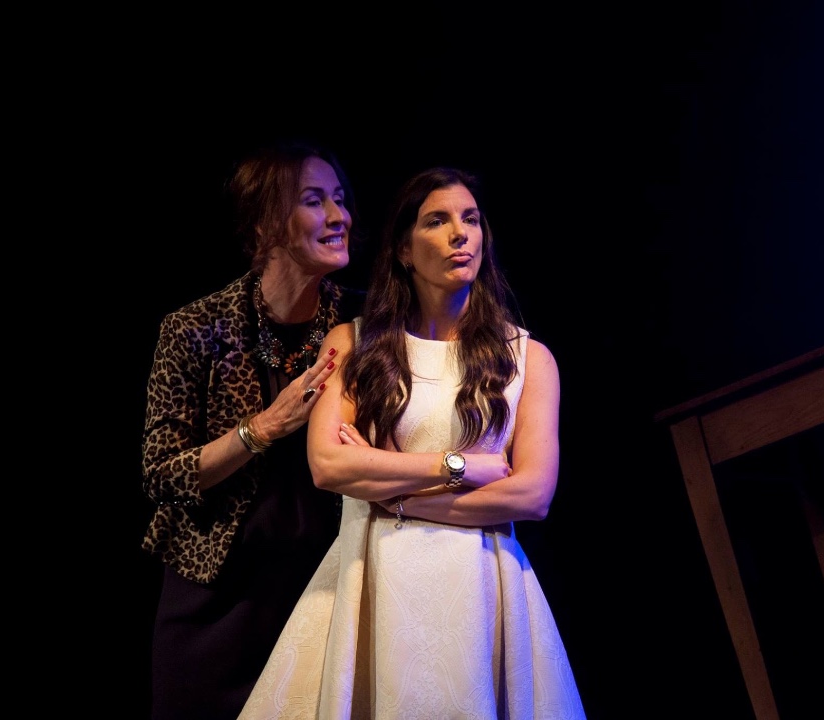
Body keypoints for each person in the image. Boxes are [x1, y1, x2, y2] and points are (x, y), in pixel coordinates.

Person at [238, 166, 586, 719]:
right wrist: (462, 467)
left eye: (470, 219)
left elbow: (532, 494)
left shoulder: (528, 358)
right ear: (403, 247)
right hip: (375, 574)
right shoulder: (353, 344)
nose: (460, 234)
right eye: (437, 221)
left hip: (482, 586)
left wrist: (391, 492)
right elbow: (329, 464)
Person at [140, 139, 367, 720]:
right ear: (266, 223)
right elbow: (163, 475)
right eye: (315, 201)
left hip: (324, 589)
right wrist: (263, 427)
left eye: (340, 199)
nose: (339, 217)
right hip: (215, 600)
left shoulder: (364, 325)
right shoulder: (195, 328)